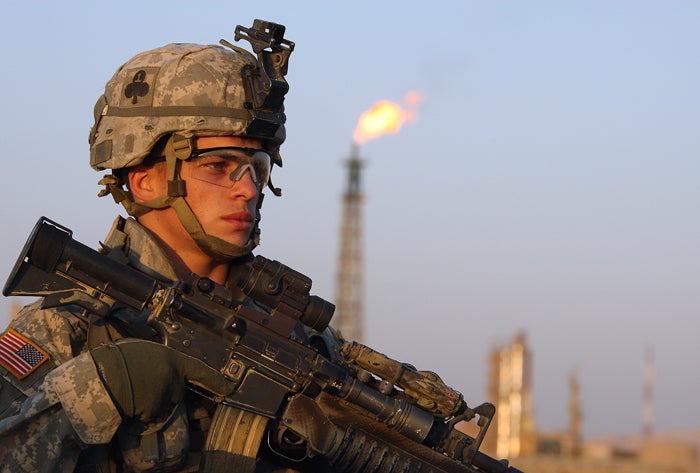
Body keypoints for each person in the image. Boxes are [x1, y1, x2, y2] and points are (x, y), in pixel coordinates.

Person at [0, 20, 336, 473]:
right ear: (144, 180)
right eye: (220, 166)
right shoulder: (63, 331)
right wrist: (91, 392)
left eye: (257, 167)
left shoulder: (302, 340)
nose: (248, 189)